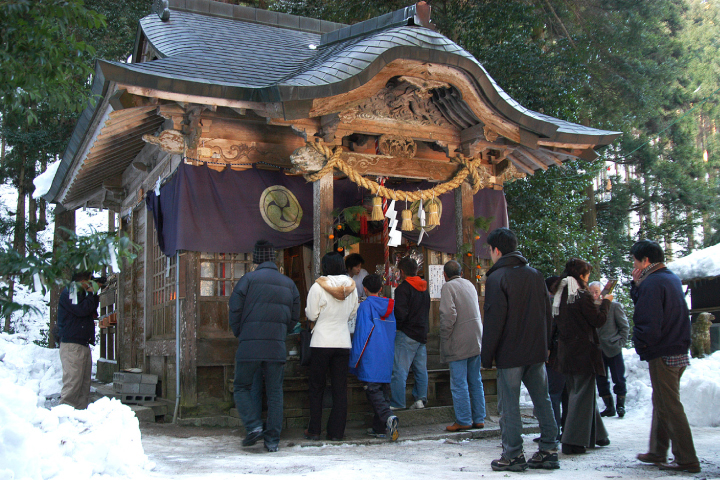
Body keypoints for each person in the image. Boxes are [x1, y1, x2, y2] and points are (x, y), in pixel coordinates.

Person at [481, 228, 559, 472]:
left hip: (510, 351)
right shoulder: (535, 275)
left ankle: (513, 454)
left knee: (509, 405)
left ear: (496, 250)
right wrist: (546, 345)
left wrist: (487, 355)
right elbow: (548, 314)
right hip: (536, 349)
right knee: (542, 399)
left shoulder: (497, 278)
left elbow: (495, 320)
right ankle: (549, 449)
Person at [631, 240, 700, 473]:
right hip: (678, 346)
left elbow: (648, 320)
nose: (634, 264)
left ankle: (686, 457)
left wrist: (642, 344)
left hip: (663, 350)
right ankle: (658, 449)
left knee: (669, 405)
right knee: (662, 401)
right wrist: (637, 285)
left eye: (635, 260)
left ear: (645, 261)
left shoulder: (653, 283)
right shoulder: (669, 278)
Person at [229, 240, 300, 452]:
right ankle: (272, 440)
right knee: (275, 392)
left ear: (256, 259)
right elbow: (295, 317)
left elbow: (234, 310)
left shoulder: (247, 280)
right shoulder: (289, 284)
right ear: (274, 259)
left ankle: (253, 426)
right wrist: (281, 332)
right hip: (276, 345)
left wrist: (240, 333)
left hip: (249, 345)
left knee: (241, 386)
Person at [550, 259, 611, 455]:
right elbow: (597, 320)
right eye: (587, 275)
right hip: (584, 352)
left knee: (581, 392)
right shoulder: (581, 296)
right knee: (581, 394)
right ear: (581, 276)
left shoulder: (560, 294)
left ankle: (598, 434)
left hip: (566, 351)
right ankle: (572, 441)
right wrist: (605, 304)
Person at [305, 252, 359, 441]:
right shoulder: (351, 288)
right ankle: (336, 432)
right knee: (339, 388)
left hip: (321, 341)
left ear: (326, 267)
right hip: (342, 341)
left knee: (317, 387)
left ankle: (314, 430)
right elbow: (353, 313)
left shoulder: (318, 287)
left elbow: (311, 314)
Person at [349, 274, 400, 441]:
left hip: (370, 354)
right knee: (383, 391)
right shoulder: (389, 307)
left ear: (364, 289)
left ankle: (388, 417)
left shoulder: (365, 307)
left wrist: (354, 360)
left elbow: (361, 335)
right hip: (386, 353)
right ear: (380, 288)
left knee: (372, 391)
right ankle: (379, 428)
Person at [438, 260, 486, 432]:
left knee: (459, 382)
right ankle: (479, 418)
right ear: (461, 272)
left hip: (459, 339)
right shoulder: (469, 284)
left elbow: (448, 314)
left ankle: (464, 419)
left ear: (444, 275)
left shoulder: (448, 287)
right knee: (475, 380)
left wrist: (445, 336)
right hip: (476, 337)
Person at [390, 257, 430, 410]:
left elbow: (400, 313)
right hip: (422, 332)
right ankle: (420, 399)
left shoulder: (403, 289)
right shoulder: (424, 288)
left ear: (402, 272)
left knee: (400, 370)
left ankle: (398, 402)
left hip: (407, 332)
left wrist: (398, 326)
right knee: (420, 369)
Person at [58, 271, 101, 409]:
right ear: (81, 281)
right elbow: (82, 309)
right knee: (72, 384)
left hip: (82, 344)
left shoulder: (80, 293)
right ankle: (63, 418)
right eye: (89, 281)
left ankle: (79, 418)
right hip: (72, 345)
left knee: (83, 386)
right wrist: (90, 293)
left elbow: (91, 308)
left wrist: (92, 293)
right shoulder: (71, 291)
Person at [588, 281, 629, 418]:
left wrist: (620, 342)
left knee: (618, 377)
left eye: (596, 291)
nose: (594, 295)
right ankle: (609, 406)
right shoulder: (588, 309)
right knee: (601, 379)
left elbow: (624, 327)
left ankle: (620, 405)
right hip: (597, 350)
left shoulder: (614, 306)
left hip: (613, 348)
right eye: (591, 292)